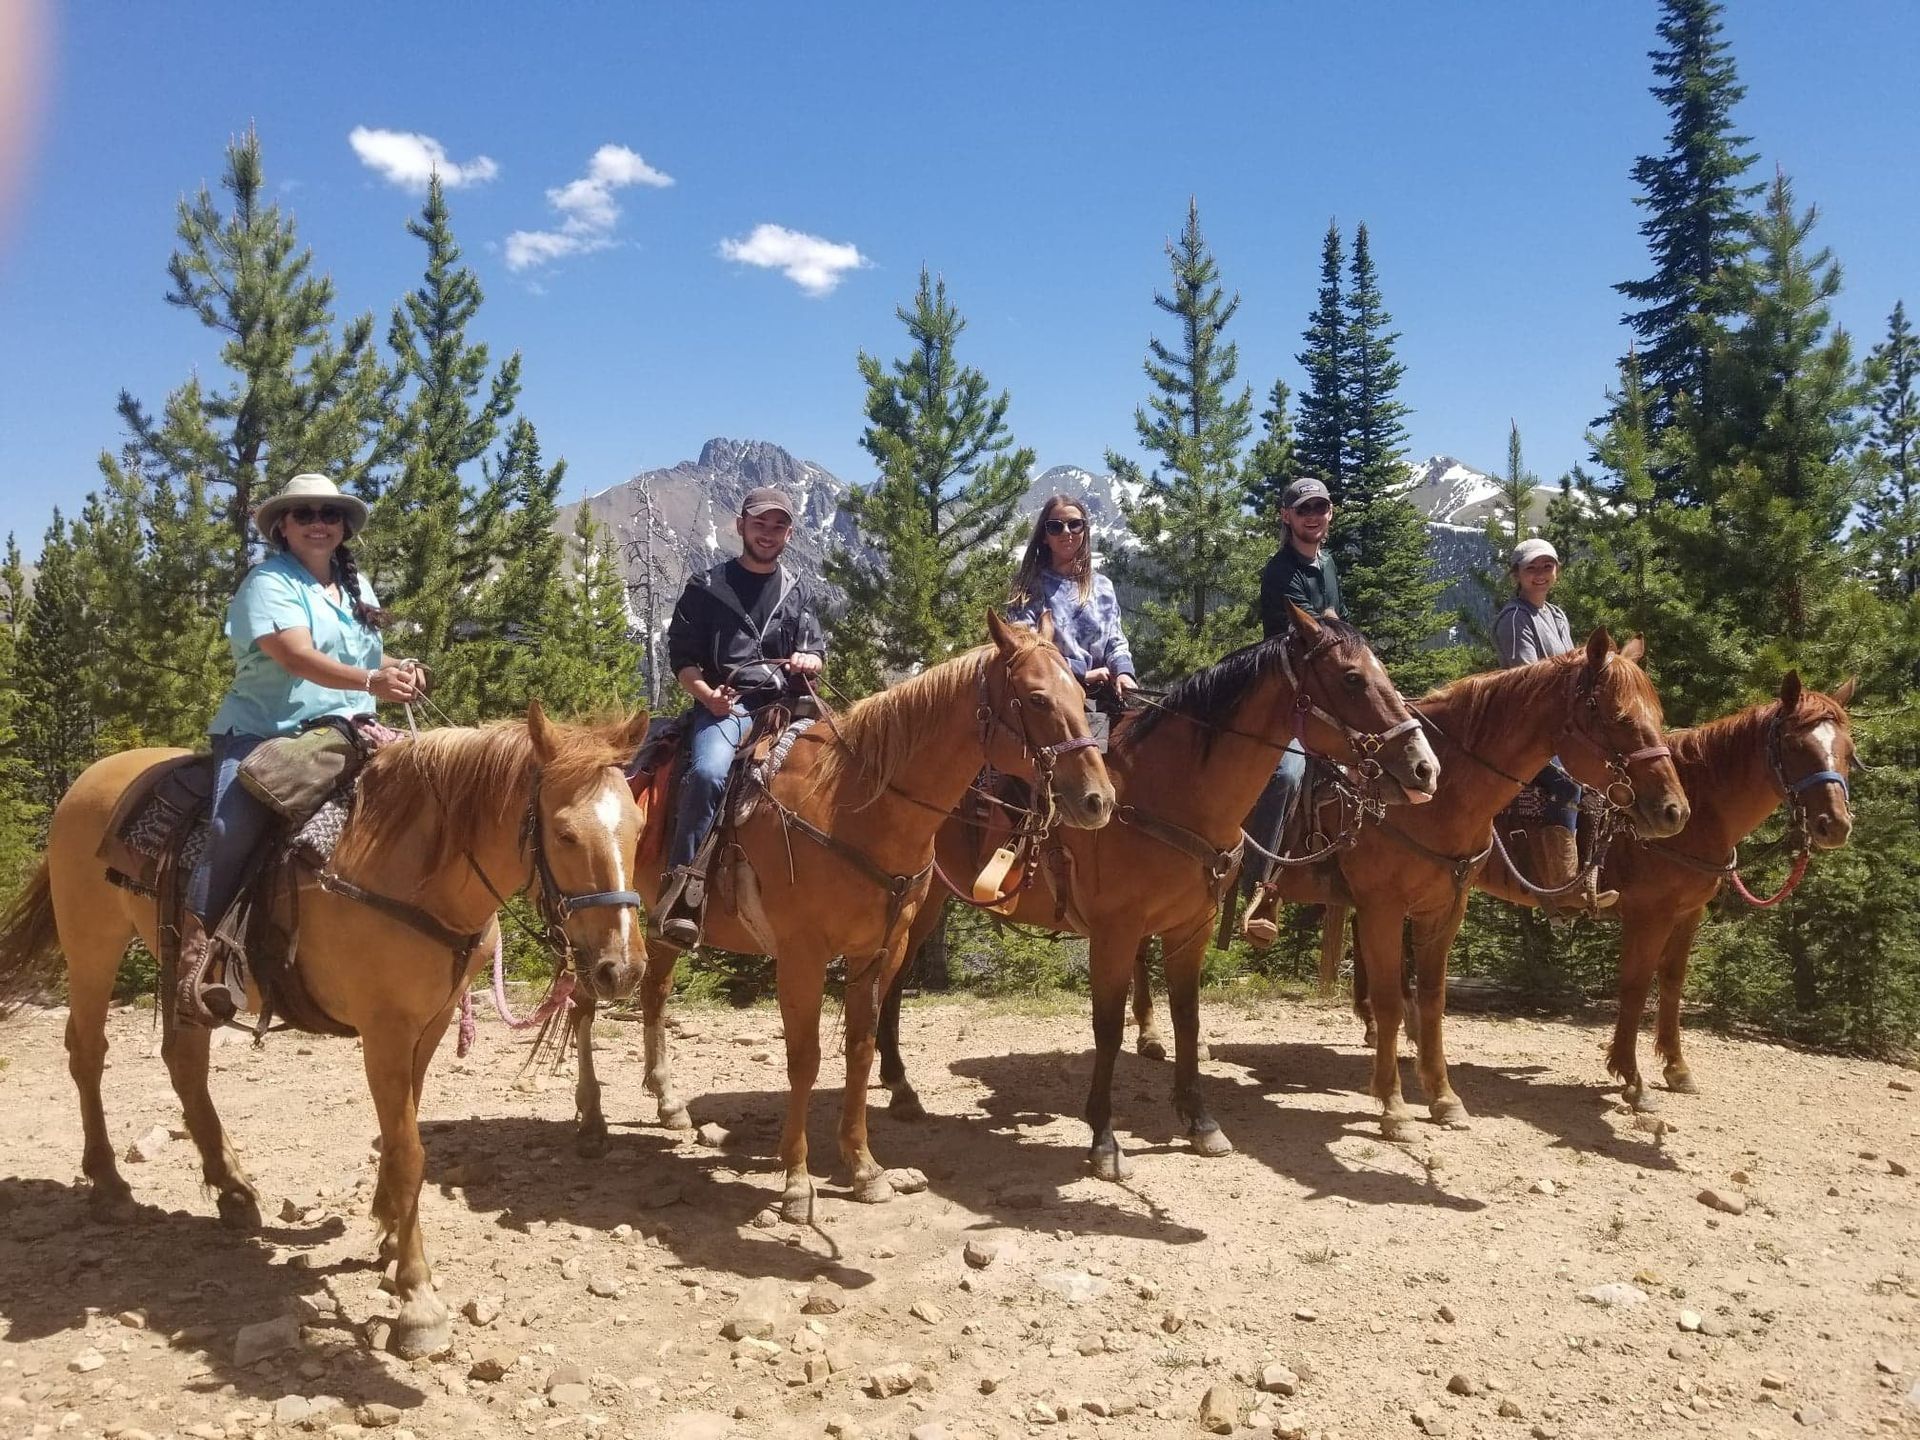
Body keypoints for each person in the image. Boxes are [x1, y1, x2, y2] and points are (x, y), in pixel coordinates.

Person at [178, 473, 423, 1024]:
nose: (319, 523)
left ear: (343, 527)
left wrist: (396, 668)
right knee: (230, 827)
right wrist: (369, 683)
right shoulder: (267, 583)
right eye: (306, 513)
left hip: (348, 734)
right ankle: (197, 959)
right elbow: (295, 655)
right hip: (267, 732)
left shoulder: (355, 588)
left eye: (329, 514)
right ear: (283, 527)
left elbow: (360, 654)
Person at [657, 486, 827, 947]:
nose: (768, 533)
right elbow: (683, 659)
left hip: (788, 707)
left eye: (778, 526)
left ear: (789, 533)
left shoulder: (797, 589)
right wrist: (707, 696)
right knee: (709, 772)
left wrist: (810, 660)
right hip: (727, 705)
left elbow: (813, 648)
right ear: (741, 526)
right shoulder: (706, 588)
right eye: (760, 523)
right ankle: (682, 888)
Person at [1240, 477, 1345, 945]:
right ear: (1286, 516)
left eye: (1320, 507)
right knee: (1284, 774)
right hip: (1285, 695)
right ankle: (1259, 888)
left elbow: (1335, 630)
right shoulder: (1281, 571)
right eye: (1304, 509)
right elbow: (1317, 634)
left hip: (1322, 690)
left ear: (1330, 513)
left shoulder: (1327, 564)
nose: (1313, 515)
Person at [1493, 537, 1615, 909]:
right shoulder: (1515, 618)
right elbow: (1527, 678)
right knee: (1566, 786)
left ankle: (1593, 872)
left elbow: (1575, 664)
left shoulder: (1556, 615)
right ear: (1516, 574)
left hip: (1557, 726)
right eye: (1532, 568)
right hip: (1526, 727)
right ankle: (1562, 886)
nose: (1541, 575)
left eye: (1547, 567)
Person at [1008, 495, 1136, 740]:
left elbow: (1115, 641)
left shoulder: (1102, 587)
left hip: (1102, 700)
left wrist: (1123, 673)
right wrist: (1081, 674)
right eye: (1055, 527)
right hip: (1052, 704)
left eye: (1074, 525)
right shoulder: (1029, 587)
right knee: (1075, 769)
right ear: (1044, 537)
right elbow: (1025, 652)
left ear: (1084, 530)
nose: (1066, 532)